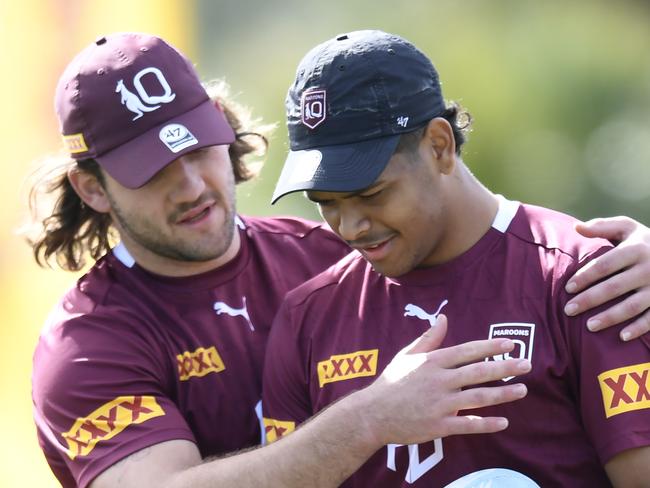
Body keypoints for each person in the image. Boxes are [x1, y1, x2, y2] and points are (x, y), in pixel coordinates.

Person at [28, 32, 648, 488]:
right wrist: (371, 418)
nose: (191, 185)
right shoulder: (86, 344)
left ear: (220, 126)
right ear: (92, 189)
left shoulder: (345, 253)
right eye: (153, 172)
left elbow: (503, 254)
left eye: (196, 150)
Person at [263, 30, 650, 487]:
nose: (349, 227)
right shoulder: (307, 317)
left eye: (370, 193)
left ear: (440, 146)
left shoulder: (590, 280)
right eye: (325, 202)